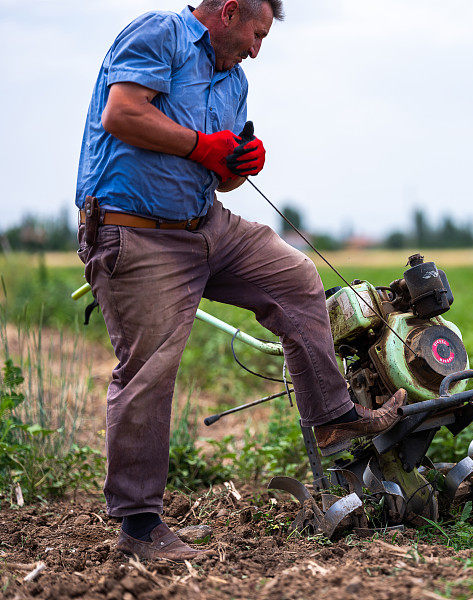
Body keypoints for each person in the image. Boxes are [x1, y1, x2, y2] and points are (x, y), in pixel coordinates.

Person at [75, 0, 405, 561]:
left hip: (206, 224)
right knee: (150, 368)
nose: (256, 49)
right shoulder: (161, 35)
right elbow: (123, 115)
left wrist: (237, 165)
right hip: (139, 231)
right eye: (256, 33)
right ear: (227, 11)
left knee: (296, 276)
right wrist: (204, 145)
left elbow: (221, 178)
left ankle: (331, 416)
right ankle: (138, 530)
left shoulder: (235, 82)